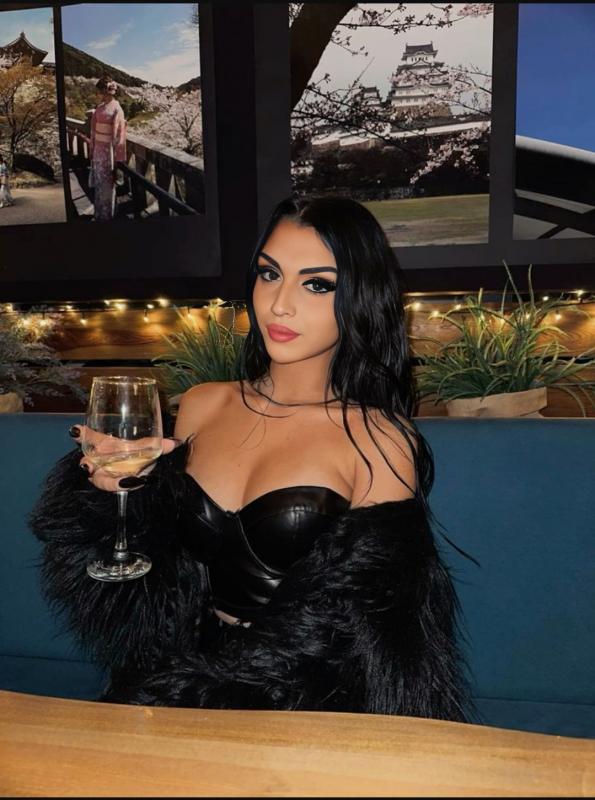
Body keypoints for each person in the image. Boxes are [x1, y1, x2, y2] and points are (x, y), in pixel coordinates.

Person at [30, 196, 475, 720]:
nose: (279, 304)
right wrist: (114, 503)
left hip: (302, 705)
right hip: (167, 678)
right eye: (269, 274)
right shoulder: (203, 405)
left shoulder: (379, 439)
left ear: (361, 297)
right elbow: (154, 584)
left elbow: (367, 633)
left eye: (317, 284)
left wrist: (207, 694)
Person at [85, 75, 126, 221]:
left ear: (105, 91)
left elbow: (119, 137)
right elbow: (93, 131)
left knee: (107, 185)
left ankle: (107, 215)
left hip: (109, 153)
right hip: (98, 151)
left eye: (99, 91)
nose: (98, 94)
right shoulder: (99, 108)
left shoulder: (117, 109)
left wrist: (117, 159)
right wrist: (92, 149)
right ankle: (99, 213)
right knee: (99, 184)